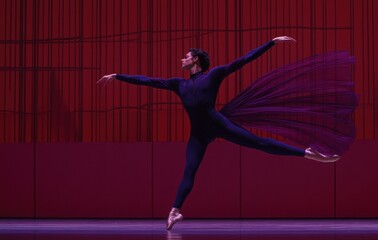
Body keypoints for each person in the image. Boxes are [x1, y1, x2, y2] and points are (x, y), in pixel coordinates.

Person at [97, 36, 349, 230]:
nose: (181, 59)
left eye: (185, 56)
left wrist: (270, 43)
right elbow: (148, 81)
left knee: (259, 143)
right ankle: (175, 210)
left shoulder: (214, 75)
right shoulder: (178, 84)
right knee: (189, 170)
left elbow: (242, 61)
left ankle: (307, 153)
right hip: (198, 134)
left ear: (195, 59)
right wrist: (118, 76)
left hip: (218, 124)